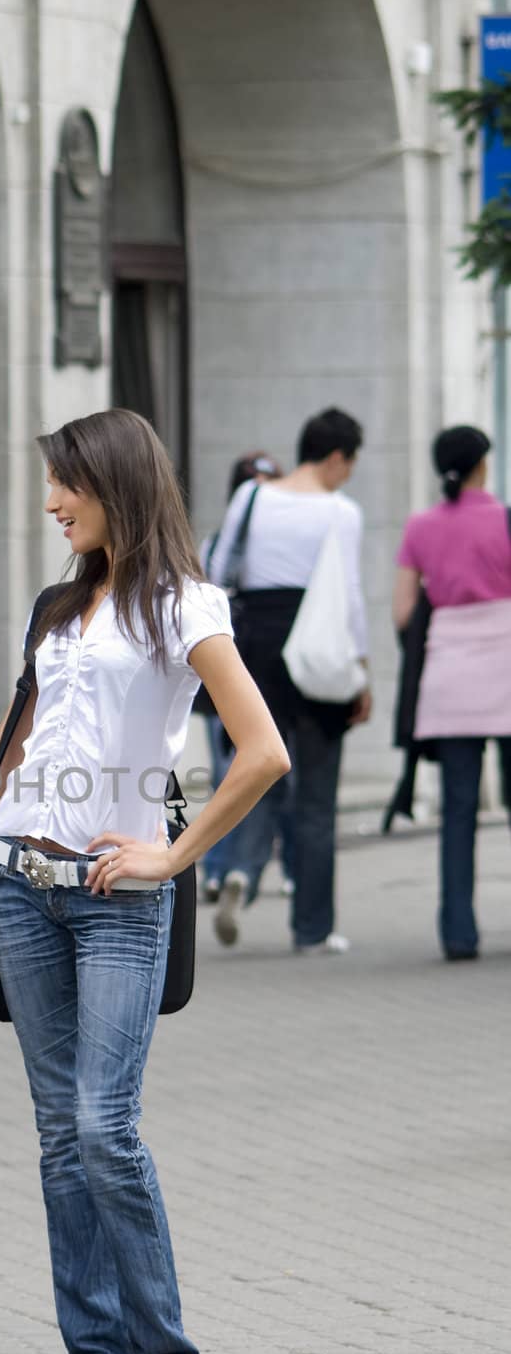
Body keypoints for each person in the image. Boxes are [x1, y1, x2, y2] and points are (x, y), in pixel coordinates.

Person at [0, 409, 289, 1354]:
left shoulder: (181, 604)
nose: (49, 502)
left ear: (115, 483)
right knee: (56, 1135)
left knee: (101, 1125)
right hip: (17, 882)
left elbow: (262, 751)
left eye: (63, 484)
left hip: (119, 898)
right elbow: (5, 749)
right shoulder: (56, 606)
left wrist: (171, 852)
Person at [207, 407, 372, 954]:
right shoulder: (340, 511)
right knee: (317, 799)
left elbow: (219, 576)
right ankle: (313, 928)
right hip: (317, 651)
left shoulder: (251, 498)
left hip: (256, 650)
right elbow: (346, 597)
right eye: (349, 464)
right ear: (334, 458)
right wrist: (361, 670)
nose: (347, 475)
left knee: (254, 774)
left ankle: (238, 871)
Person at [393, 425, 511, 960]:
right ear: (483, 464)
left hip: (449, 675)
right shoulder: (505, 520)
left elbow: (401, 612)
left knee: (458, 811)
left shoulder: (421, 527)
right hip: (505, 668)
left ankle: (459, 934)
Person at [198, 452, 293, 904]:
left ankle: (255, 867)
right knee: (226, 773)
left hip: (260, 670)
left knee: (265, 768)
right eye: (253, 485)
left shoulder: (278, 550)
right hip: (228, 672)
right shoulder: (216, 546)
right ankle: (219, 870)